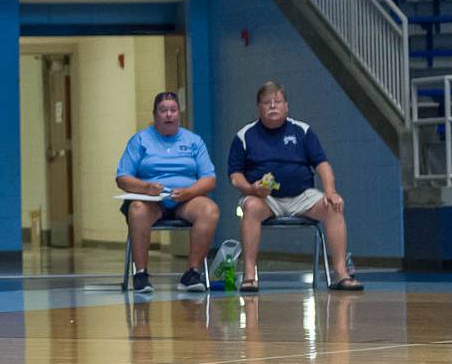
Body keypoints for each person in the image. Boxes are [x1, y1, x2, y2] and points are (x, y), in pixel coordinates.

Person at [228, 80, 363, 293]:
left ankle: (341, 273)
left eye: (277, 101)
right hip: (264, 198)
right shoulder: (244, 135)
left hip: (302, 196)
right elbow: (235, 175)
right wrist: (251, 189)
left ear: (286, 106)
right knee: (251, 207)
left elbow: (322, 164)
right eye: (267, 102)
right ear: (258, 107)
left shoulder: (302, 130)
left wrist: (330, 190)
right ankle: (250, 274)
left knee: (333, 206)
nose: (272, 106)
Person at [115, 90, 219, 294]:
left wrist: (189, 192)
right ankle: (141, 274)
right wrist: (146, 188)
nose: (169, 115)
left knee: (210, 210)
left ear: (179, 113)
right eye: (163, 111)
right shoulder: (140, 140)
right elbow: (122, 178)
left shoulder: (193, 141)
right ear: (155, 115)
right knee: (136, 209)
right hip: (151, 200)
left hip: (186, 200)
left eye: (173, 110)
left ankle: (192, 273)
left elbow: (209, 178)